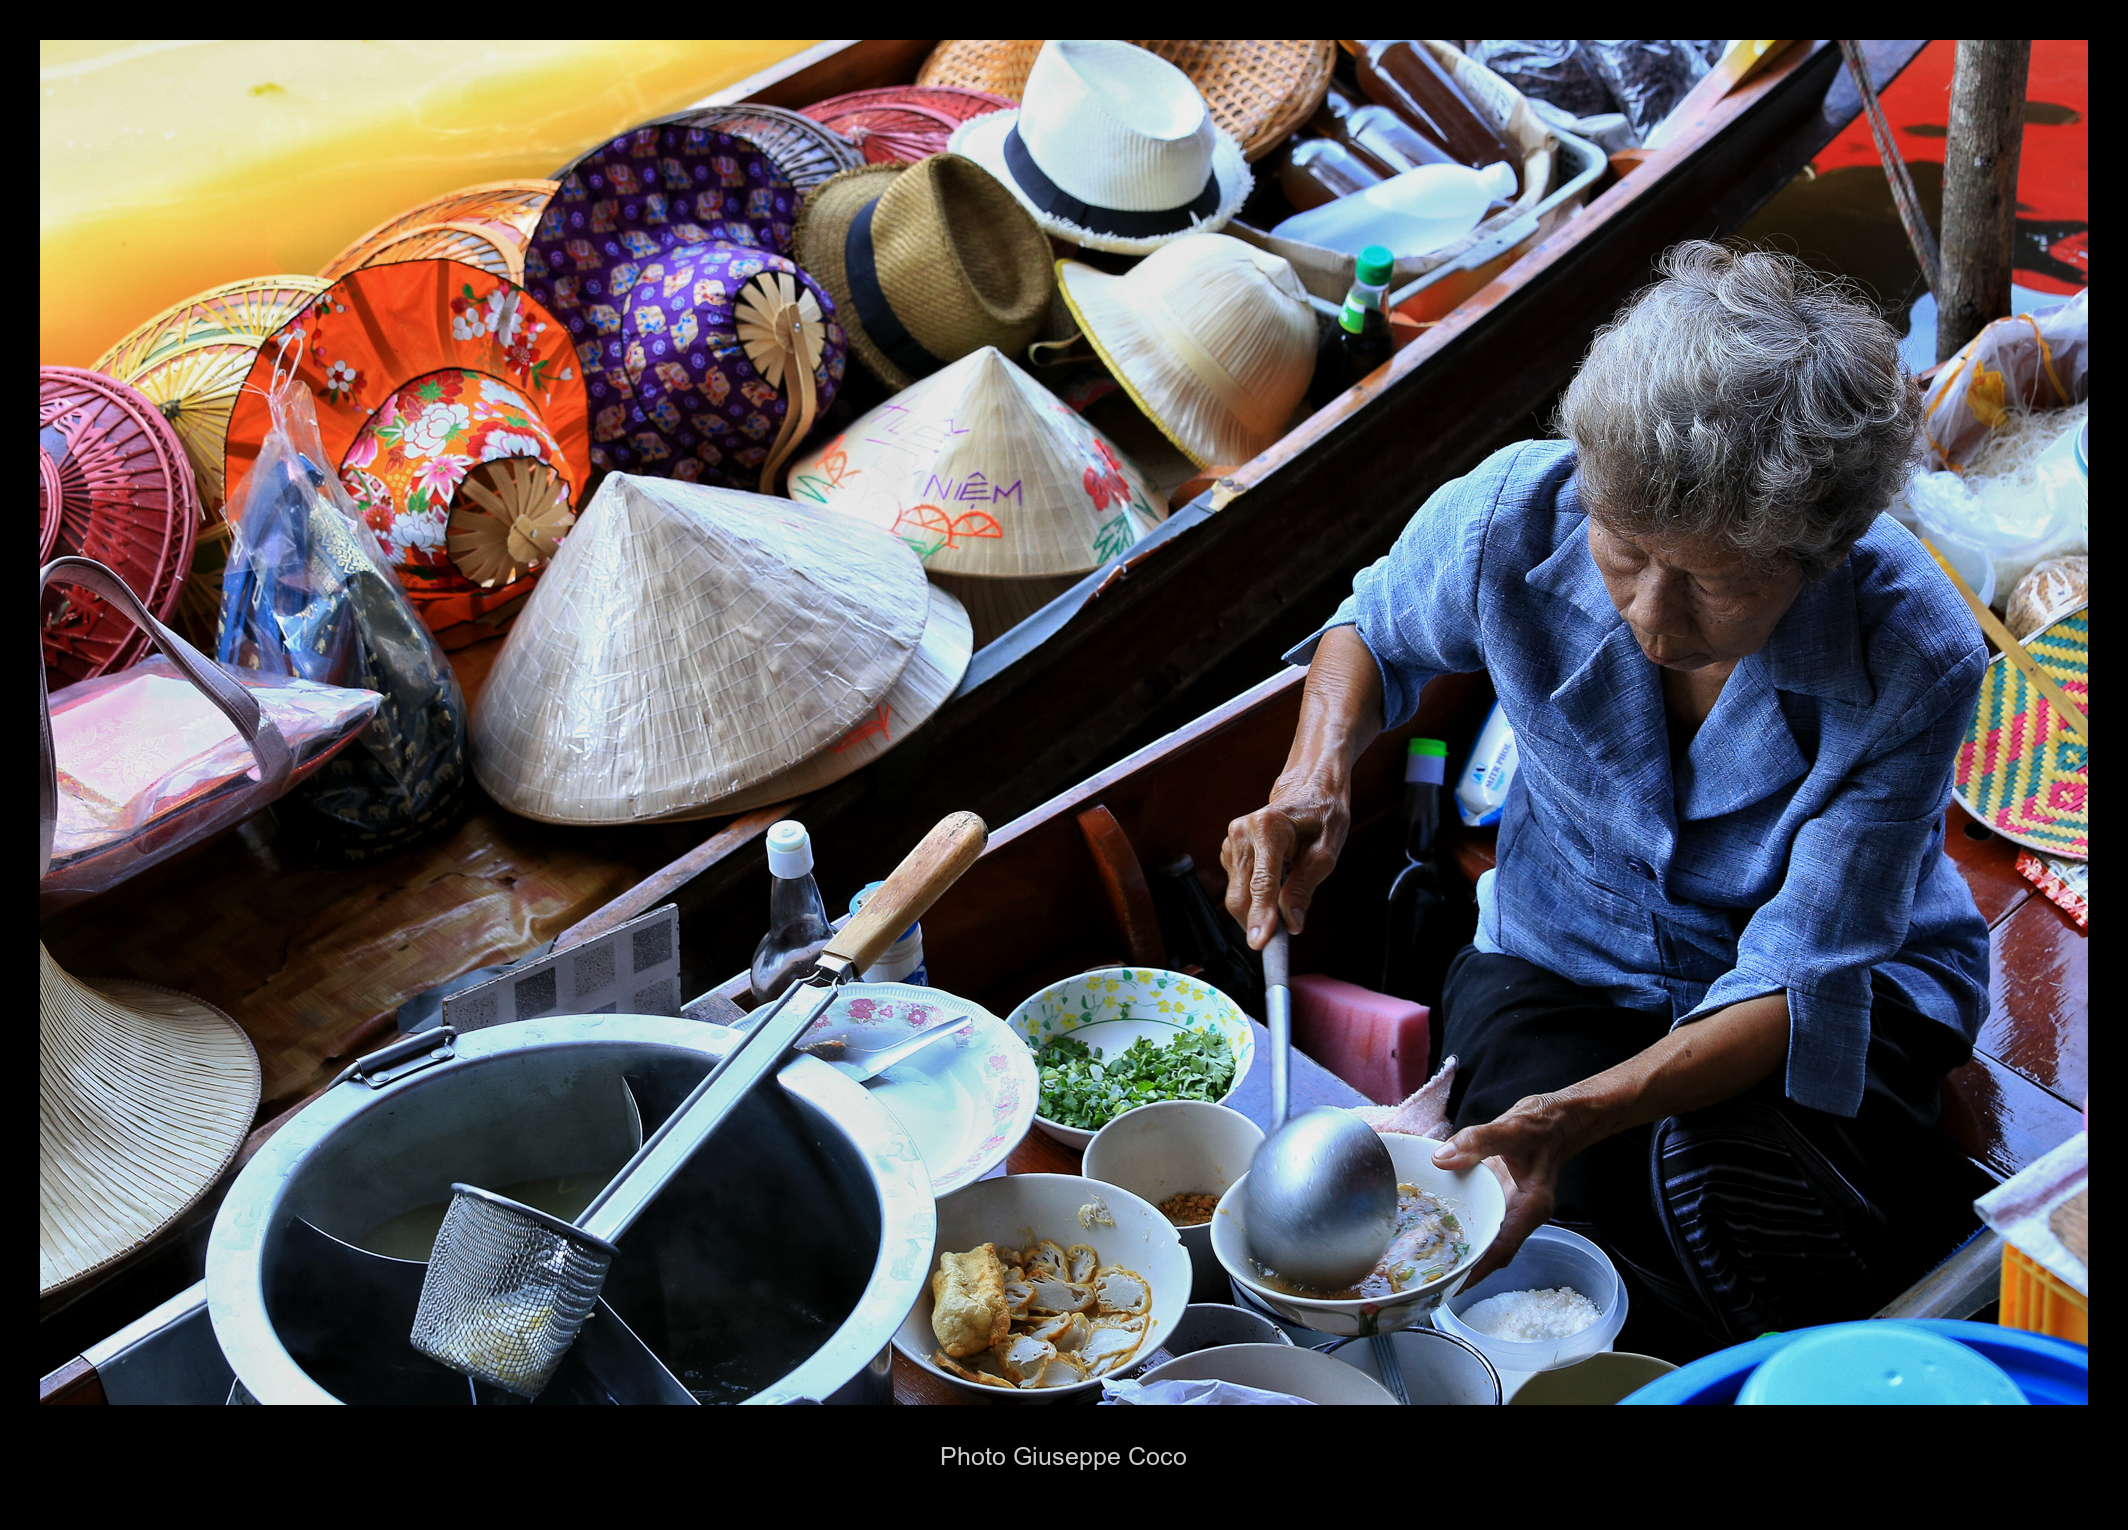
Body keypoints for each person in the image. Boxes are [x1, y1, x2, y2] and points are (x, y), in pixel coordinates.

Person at [1221, 243, 1989, 1352]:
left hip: (1828, 995)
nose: (1653, 618)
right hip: (1562, 952)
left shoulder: (1914, 654)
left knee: (1726, 1202)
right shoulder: (1511, 515)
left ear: (1820, 557)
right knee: (1518, 1223)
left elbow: (1800, 971)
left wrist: (1586, 1111)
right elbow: (1372, 632)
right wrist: (1316, 776)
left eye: (1715, 583)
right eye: (1622, 550)